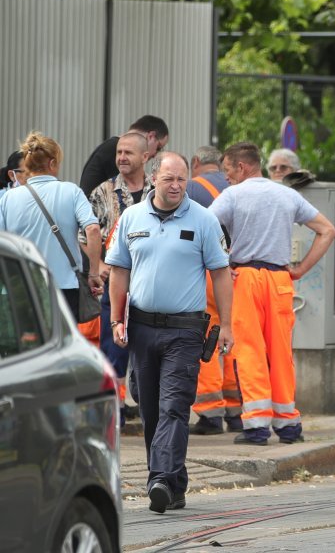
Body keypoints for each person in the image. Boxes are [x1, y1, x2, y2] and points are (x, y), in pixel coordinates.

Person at [105, 151, 233, 514]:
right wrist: (117, 319)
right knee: (149, 410)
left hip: (185, 330)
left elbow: (221, 274)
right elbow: (118, 272)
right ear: (154, 179)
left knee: (174, 406)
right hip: (143, 328)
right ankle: (174, 484)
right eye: (169, 179)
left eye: (182, 179)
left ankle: (159, 477)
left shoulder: (204, 220)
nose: (176, 185)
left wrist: (226, 325)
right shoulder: (131, 217)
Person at [210, 142, 335, 445]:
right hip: (281, 280)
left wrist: (221, 263)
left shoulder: (233, 195)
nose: (226, 177)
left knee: (250, 351)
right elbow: (327, 230)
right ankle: (288, 424)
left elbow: (204, 228)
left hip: (246, 278)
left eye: (227, 170)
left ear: (241, 167)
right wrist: (301, 269)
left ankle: (256, 427)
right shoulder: (287, 194)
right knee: (281, 353)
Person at [84, 132, 153, 424]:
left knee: (150, 353)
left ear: (145, 157)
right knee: (113, 353)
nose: (122, 158)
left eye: (128, 153)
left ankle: (149, 409)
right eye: (119, 153)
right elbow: (84, 232)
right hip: (116, 286)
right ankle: (113, 415)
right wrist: (97, 262)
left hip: (151, 286)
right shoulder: (103, 191)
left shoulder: (158, 190)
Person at [0, 132, 103, 320]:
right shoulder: (71, 191)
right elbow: (93, 229)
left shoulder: (8, 198)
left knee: (29, 345)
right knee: (62, 345)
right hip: (64, 287)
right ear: (53, 163)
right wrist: (94, 273)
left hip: (21, 287)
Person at [185, 145, 242, 435]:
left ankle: (209, 414)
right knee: (233, 339)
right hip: (242, 274)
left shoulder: (192, 188)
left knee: (207, 337)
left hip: (211, 271)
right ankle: (236, 410)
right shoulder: (239, 186)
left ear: (196, 163)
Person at [79, 115, 169, 197]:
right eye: (158, 147)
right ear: (151, 136)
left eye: (128, 153)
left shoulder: (111, 146)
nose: (155, 155)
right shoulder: (112, 148)